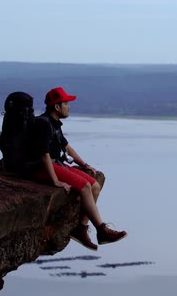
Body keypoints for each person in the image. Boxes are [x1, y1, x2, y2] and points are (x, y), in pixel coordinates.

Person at [27, 87, 127, 251]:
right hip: (42, 167)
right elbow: (43, 154)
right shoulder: (43, 124)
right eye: (65, 103)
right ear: (57, 107)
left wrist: (84, 164)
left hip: (56, 163)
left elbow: (66, 146)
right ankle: (102, 230)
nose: (69, 106)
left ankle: (80, 229)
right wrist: (56, 181)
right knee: (84, 186)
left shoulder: (54, 123)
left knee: (94, 185)